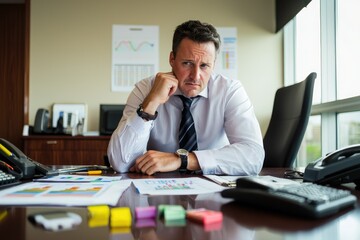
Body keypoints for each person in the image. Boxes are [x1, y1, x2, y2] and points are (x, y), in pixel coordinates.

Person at [107, 20, 264, 175]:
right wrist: (151, 102)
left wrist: (183, 160)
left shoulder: (230, 91)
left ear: (213, 65)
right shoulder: (145, 89)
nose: (195, 76)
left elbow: (253, 156)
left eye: (204, 66)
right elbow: (120, 163)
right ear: (172, 59)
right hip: (160, 189)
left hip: (213, 187)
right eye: (187, 63)